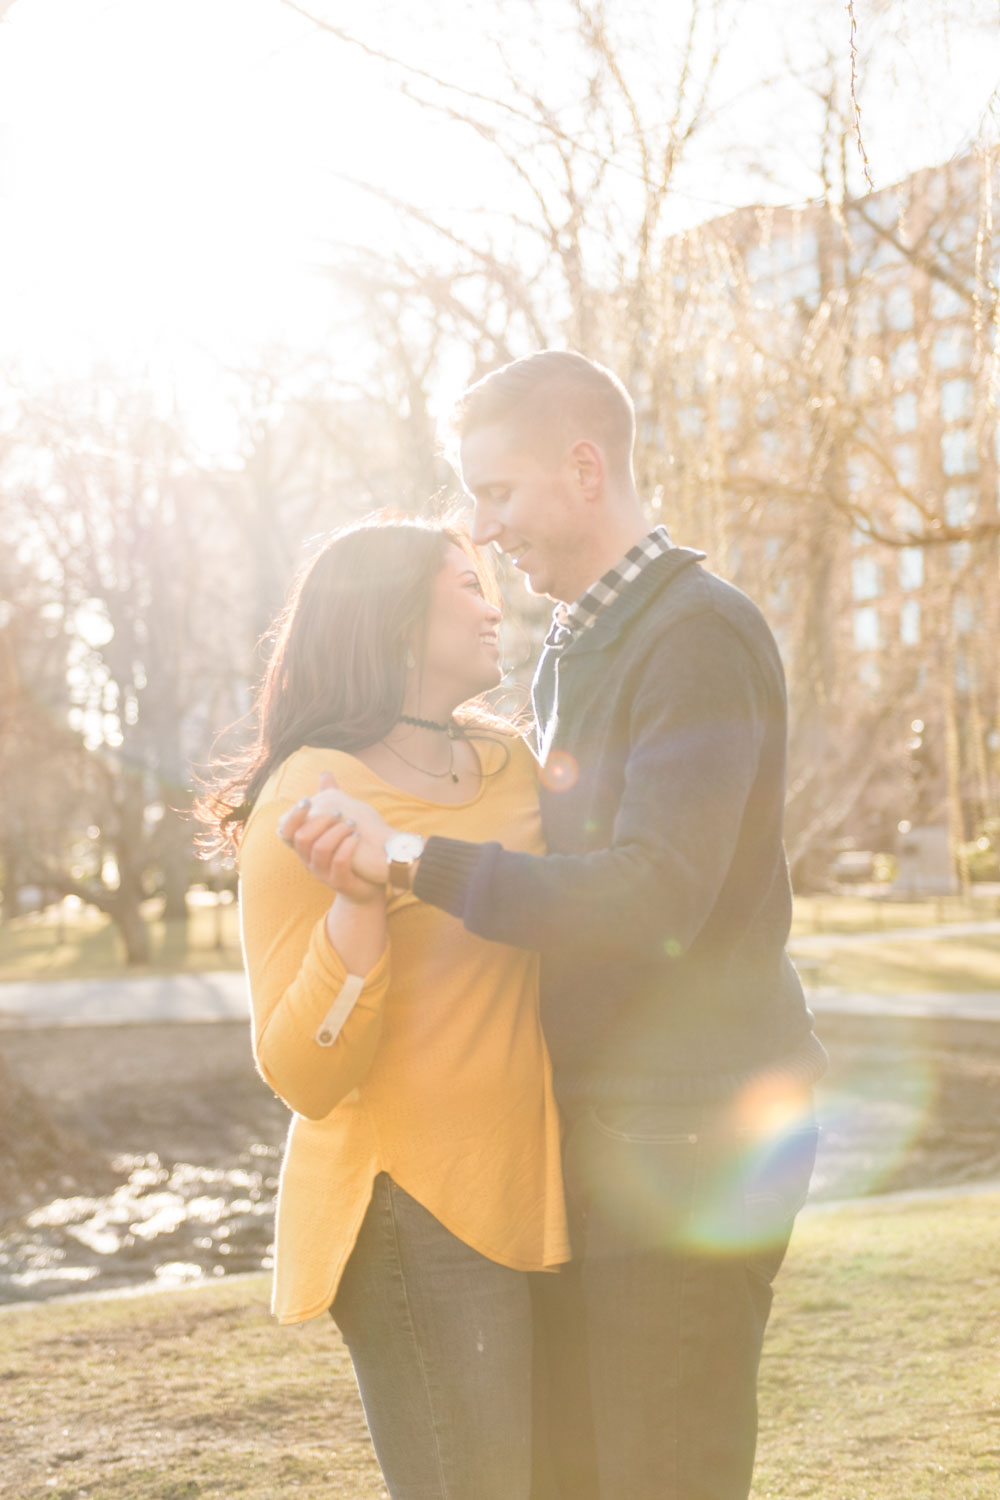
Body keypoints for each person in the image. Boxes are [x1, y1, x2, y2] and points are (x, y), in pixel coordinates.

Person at [282, 350, 828, 1500]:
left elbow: (650, 894)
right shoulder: (579, 645)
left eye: (498, 493)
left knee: (663, 1472)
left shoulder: (696, 634)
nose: (483, 530)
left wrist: (408, 857)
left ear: (584, 469)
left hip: (687, 1135)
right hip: (606, 1133)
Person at [199, 515, 570, 1500]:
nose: (493, 605)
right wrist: (357, 914)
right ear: (397, 618)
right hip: (411, 1211)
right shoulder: (305, 801)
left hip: (533, 1181)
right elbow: (301, 1072)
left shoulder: (505, 761)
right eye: (464, 586)